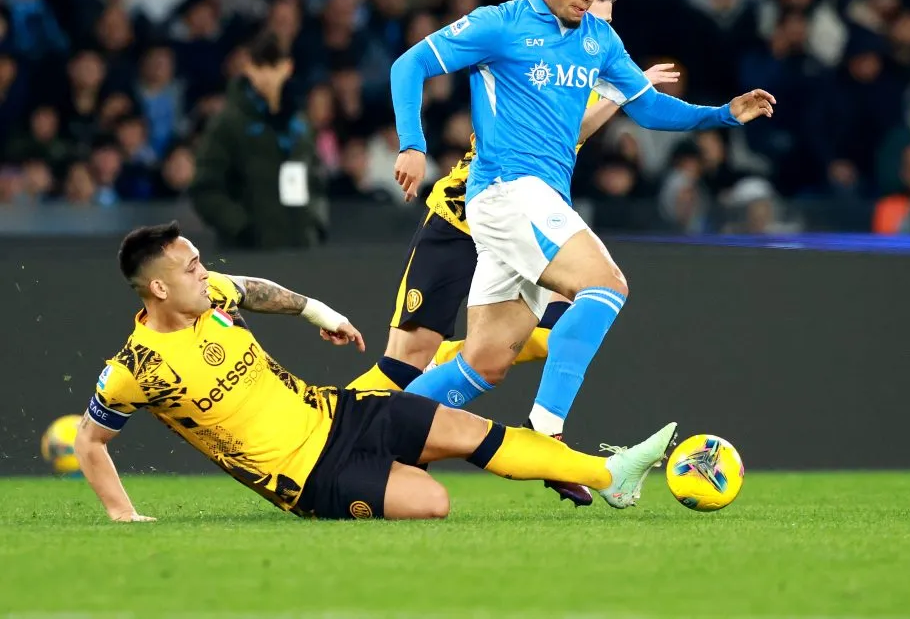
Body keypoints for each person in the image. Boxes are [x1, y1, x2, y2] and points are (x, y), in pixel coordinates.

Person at [389, 0, 773, 495]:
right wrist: (412, 144)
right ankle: (547, 435)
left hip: (535, 202)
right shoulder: (500, 23)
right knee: (605, 285)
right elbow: (409, 65)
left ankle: (373, 433)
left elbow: (647, 109)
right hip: (506, 191)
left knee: (485, 363)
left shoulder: (598, 40)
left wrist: (720, 115)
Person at [73, 222, 677, 522]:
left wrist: (318, 312)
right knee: (434, 503)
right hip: (308, 478)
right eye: (191, 268)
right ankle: (521, 375)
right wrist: (123, 514)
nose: (205, 273)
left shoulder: (211, 299)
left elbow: (256, 290)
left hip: (337, 412)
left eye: (201, 263)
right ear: (157, 287)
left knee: (470, 430)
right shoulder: (135, 368)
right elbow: (90, 440)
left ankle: (609, 475)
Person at [345, 0, 681, 507]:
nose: (597, 29)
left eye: (608, 24)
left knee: (508, 349)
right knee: (407, 359)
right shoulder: (529, 55)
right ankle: (340, 433)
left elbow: (574, 133)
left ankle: (536, 444)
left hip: (513, 227)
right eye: (593, 13)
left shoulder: (580, 68)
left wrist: (620, 91)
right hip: (460, 223)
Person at [190, 31, 327, 250]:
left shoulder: (299, 124)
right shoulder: (228, 124)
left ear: (287, 67)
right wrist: (242, 227)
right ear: (249, 68)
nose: (268, 75)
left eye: (274, 65)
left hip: (301, 249)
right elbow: (205, 189)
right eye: (260, 66)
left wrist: (315, 224)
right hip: (248, 254)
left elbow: (316, 180)